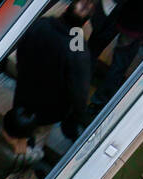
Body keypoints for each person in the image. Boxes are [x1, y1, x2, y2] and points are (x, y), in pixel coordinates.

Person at [12, 0, 96, 144]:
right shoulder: (78, 51)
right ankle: (27, 154)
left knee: (18, 129)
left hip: (23, 94)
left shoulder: (41, 24)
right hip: (48, 111)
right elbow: (79, 91)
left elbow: (21, 50)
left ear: (66, 8)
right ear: (85, 24)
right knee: (36, 138)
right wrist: (79, 116)